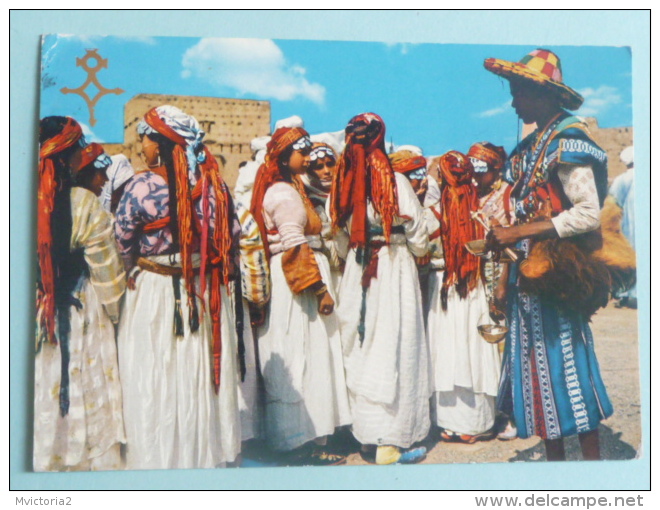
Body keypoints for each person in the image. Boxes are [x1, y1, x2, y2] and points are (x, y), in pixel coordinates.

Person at [484, 48, 613, 460]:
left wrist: (521, 230)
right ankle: (556, 464)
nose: (513, 101)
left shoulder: (568, 141)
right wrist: (505, 280)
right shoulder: (528, 149)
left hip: (557, 277)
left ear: (543, 94)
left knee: (567, 367)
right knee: (537, 374)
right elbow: (516, 223)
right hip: (528, 280)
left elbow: (588, 214)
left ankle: (591, 470)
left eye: (519, 92)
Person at [115, 105, 241, 470]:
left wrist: (133, 271)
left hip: (155, 293)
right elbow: (231, 237)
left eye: (147, 138)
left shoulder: (141, 185)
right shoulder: (215, 187)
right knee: (194, 374)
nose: (142, 145)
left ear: (165, 144)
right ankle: (201, 457)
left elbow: (123, 241)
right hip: (200, 292)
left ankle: (158, 461)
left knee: (156, 374)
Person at [329, 113, 430, 465]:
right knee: (394, 343)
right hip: (392, 266)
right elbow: (418, 235)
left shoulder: (341, 184)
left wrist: (356, 251)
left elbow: (339, 240)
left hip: (358, 269)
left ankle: (366, 435)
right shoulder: (397, 183)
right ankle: (391, 438)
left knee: (361, 343)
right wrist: (419, 253)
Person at [250, 126, 351, 465]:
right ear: (283, 155)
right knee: (299, 354)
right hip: (296, 283)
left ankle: (309, 437)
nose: (307, 157)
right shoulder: (281, 192)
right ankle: (296, 441)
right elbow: (293, 241)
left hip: (301, 277)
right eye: (300, 150)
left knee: (312, 354)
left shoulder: (293, 189)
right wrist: (319, 289)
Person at [34, 122, 126, 471]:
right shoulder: (83, 203)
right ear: (67, 155)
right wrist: (116, 314)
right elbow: (106, 270)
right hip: (77, 314)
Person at [425, 151, 501, 444]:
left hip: (446, 286)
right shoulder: (480, 211)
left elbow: (420, 246)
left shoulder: (433, 212)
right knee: (471, 349)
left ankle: (451, 423)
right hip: (472, 287)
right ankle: (475, 423)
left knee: (449, 348)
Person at [302, 142, 348, 293]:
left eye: (330, 164)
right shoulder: (305, 201)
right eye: (319, 167)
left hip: (349, 274)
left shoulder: (348, 197)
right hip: (322, 274)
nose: (327, 171)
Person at [609, 146, 636, 309]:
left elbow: (613, 203)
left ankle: (624, 295)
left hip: (628, 228)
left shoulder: (622, 180)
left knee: (626, 261)